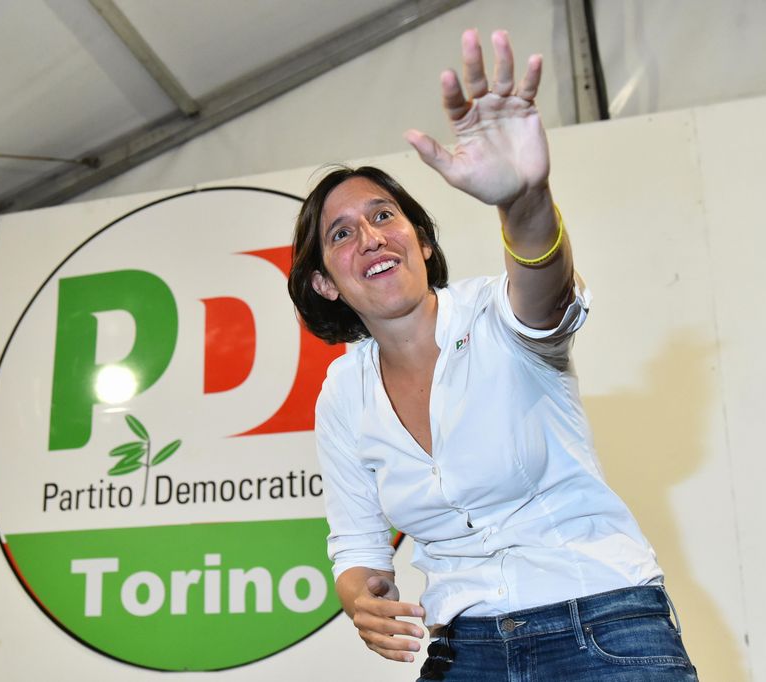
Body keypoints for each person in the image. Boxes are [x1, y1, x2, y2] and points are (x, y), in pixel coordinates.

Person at [287, 28, 698, 681]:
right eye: (342, 233)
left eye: (384, 216)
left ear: (422, 242)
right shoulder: (343, 392)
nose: (369, 236)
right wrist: (361, 596)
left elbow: (546, 295)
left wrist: (523, 200)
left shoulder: (492, 313)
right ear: (325, 283)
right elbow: (357, 545)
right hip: (465, 648)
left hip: (600, 619)